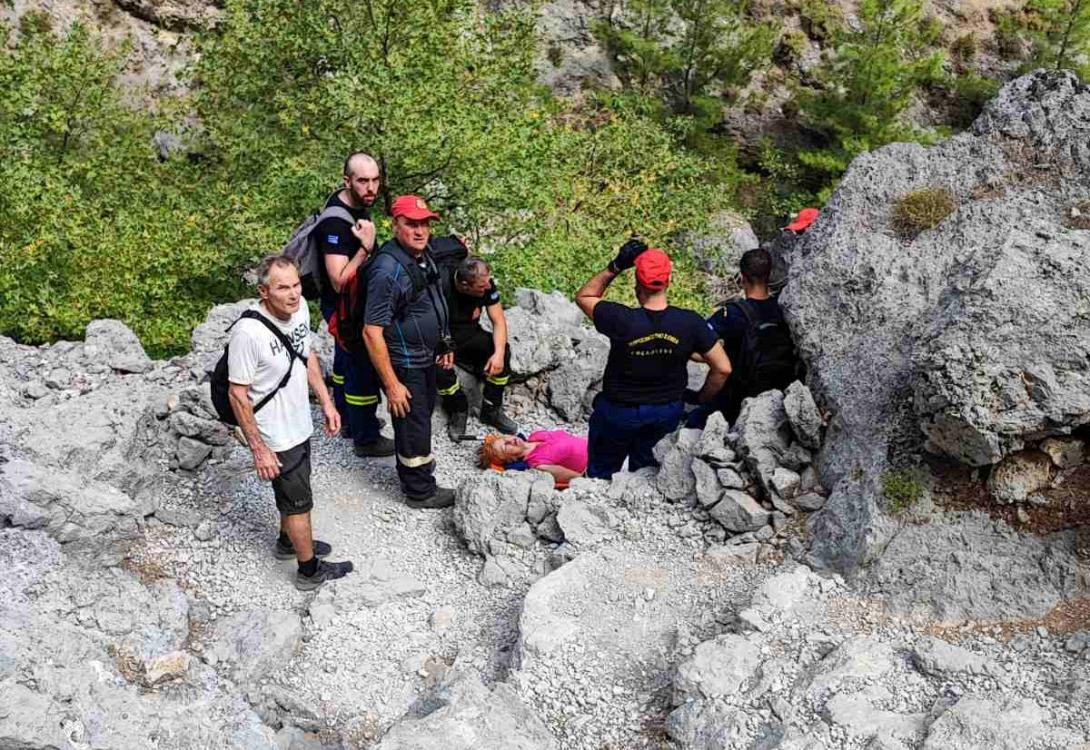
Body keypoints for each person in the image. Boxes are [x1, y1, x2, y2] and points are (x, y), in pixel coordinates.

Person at [228, 255, 355, 591]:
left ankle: (289, 542)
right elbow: (238, 395)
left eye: (296, 284)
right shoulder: (248, 333)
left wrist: (326, 402)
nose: (293, 294)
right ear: (264, 291)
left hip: (298, 421)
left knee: (296, 493)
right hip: (274, 433)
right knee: (300, 503)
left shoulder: (300, 311)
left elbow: (306, 355)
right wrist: (259, 449)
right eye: (282, 287)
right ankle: (309, 570)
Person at [575, 240, 732, 480]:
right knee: (646, 474)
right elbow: (722, 368)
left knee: (600, 475)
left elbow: (585, 295)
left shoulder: (620, 319)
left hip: (617, 411)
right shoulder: (689, 324)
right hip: (664, 411)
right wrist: (701, 398)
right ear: (669, 281)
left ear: (637, 283)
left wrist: (615, 266)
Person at [363, 195, 457, 509]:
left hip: (425, 355)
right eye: (411, 224)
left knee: (421, 417)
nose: (420, 231)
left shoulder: (421, 254)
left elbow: (428, 301)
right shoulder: (387, 271)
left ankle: (419, 468)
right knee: (412, 423)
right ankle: (419, 491)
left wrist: (443, 342)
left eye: (425, 223)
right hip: (405, 364)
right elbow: (371, 331)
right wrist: (392, 384)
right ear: (395, 225)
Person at [313, 152, 393, 458]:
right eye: (363, 181)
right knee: (361, 367)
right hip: (344, 308)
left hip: (350, 307)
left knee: (345, 364)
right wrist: (366, 248)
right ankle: (366, 437)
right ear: (347, 181)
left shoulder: (358, 204)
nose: (371, 187)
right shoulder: (335, 221)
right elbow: (339, 280)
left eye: (375, 180)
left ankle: (348, 420)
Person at [694, 247, 799, 426]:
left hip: (736, 398)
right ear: (769, 275)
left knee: (692, 419)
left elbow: (695, 349)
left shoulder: (730, 314)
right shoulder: (785, 309)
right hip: (779, 394)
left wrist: (719, 358)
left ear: (742, 278)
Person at [437, 256, 518, 439]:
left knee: (502, 351)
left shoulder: (486, 284)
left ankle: (491, 409)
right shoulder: (440, 287)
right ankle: (458, 409)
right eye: (482, 287)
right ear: (465, 285)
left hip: (469, 333)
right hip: (440, 337)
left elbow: (498, 321)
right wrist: (443, 346)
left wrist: (498, 353)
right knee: (439, 367)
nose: (488, 287)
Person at [478, 431, 587, 487]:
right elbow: (580, 478)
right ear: (510, 460)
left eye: (505, 438)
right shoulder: (539, 465)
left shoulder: (536, 435)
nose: (510, 441)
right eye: (505, 446)